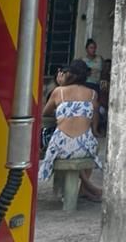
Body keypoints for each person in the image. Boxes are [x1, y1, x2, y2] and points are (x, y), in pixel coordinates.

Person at [39, 60, 102, 200]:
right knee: (90, 146)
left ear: (68, 74)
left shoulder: (59, 92)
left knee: (63, 144)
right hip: (85, 146)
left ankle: (85, 188)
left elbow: (45, 113)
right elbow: (91, 117)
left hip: (61, 146)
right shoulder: (92, 94)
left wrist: (61, 87)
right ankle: (85, 187)